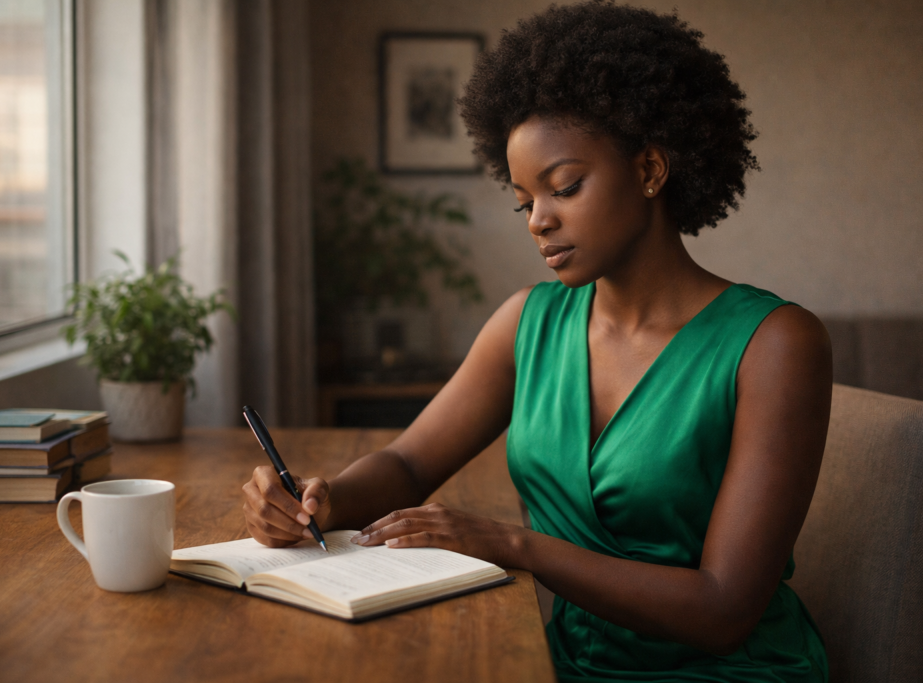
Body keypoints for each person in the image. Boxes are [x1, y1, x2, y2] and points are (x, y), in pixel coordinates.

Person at [243, 2, 832, 680]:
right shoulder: (530, 322)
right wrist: (317, 498)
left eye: (565, 187)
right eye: (525, 202)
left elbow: (724, 609)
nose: (539, 222)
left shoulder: (775, 343)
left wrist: (514, 545)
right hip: (566, 661)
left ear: (649, 170)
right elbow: (408, 463)